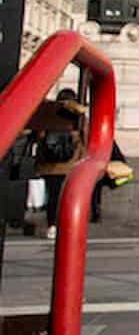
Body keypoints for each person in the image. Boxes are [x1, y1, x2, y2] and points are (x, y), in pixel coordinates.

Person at [30, 89, 88, 238]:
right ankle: (67, 226)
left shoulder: (47, 115)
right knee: (69, 197)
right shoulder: (77, 116)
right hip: (70, 164)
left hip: (49, 165)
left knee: (53, 197)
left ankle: (52, 226)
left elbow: (38, 136)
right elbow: (86, 138)